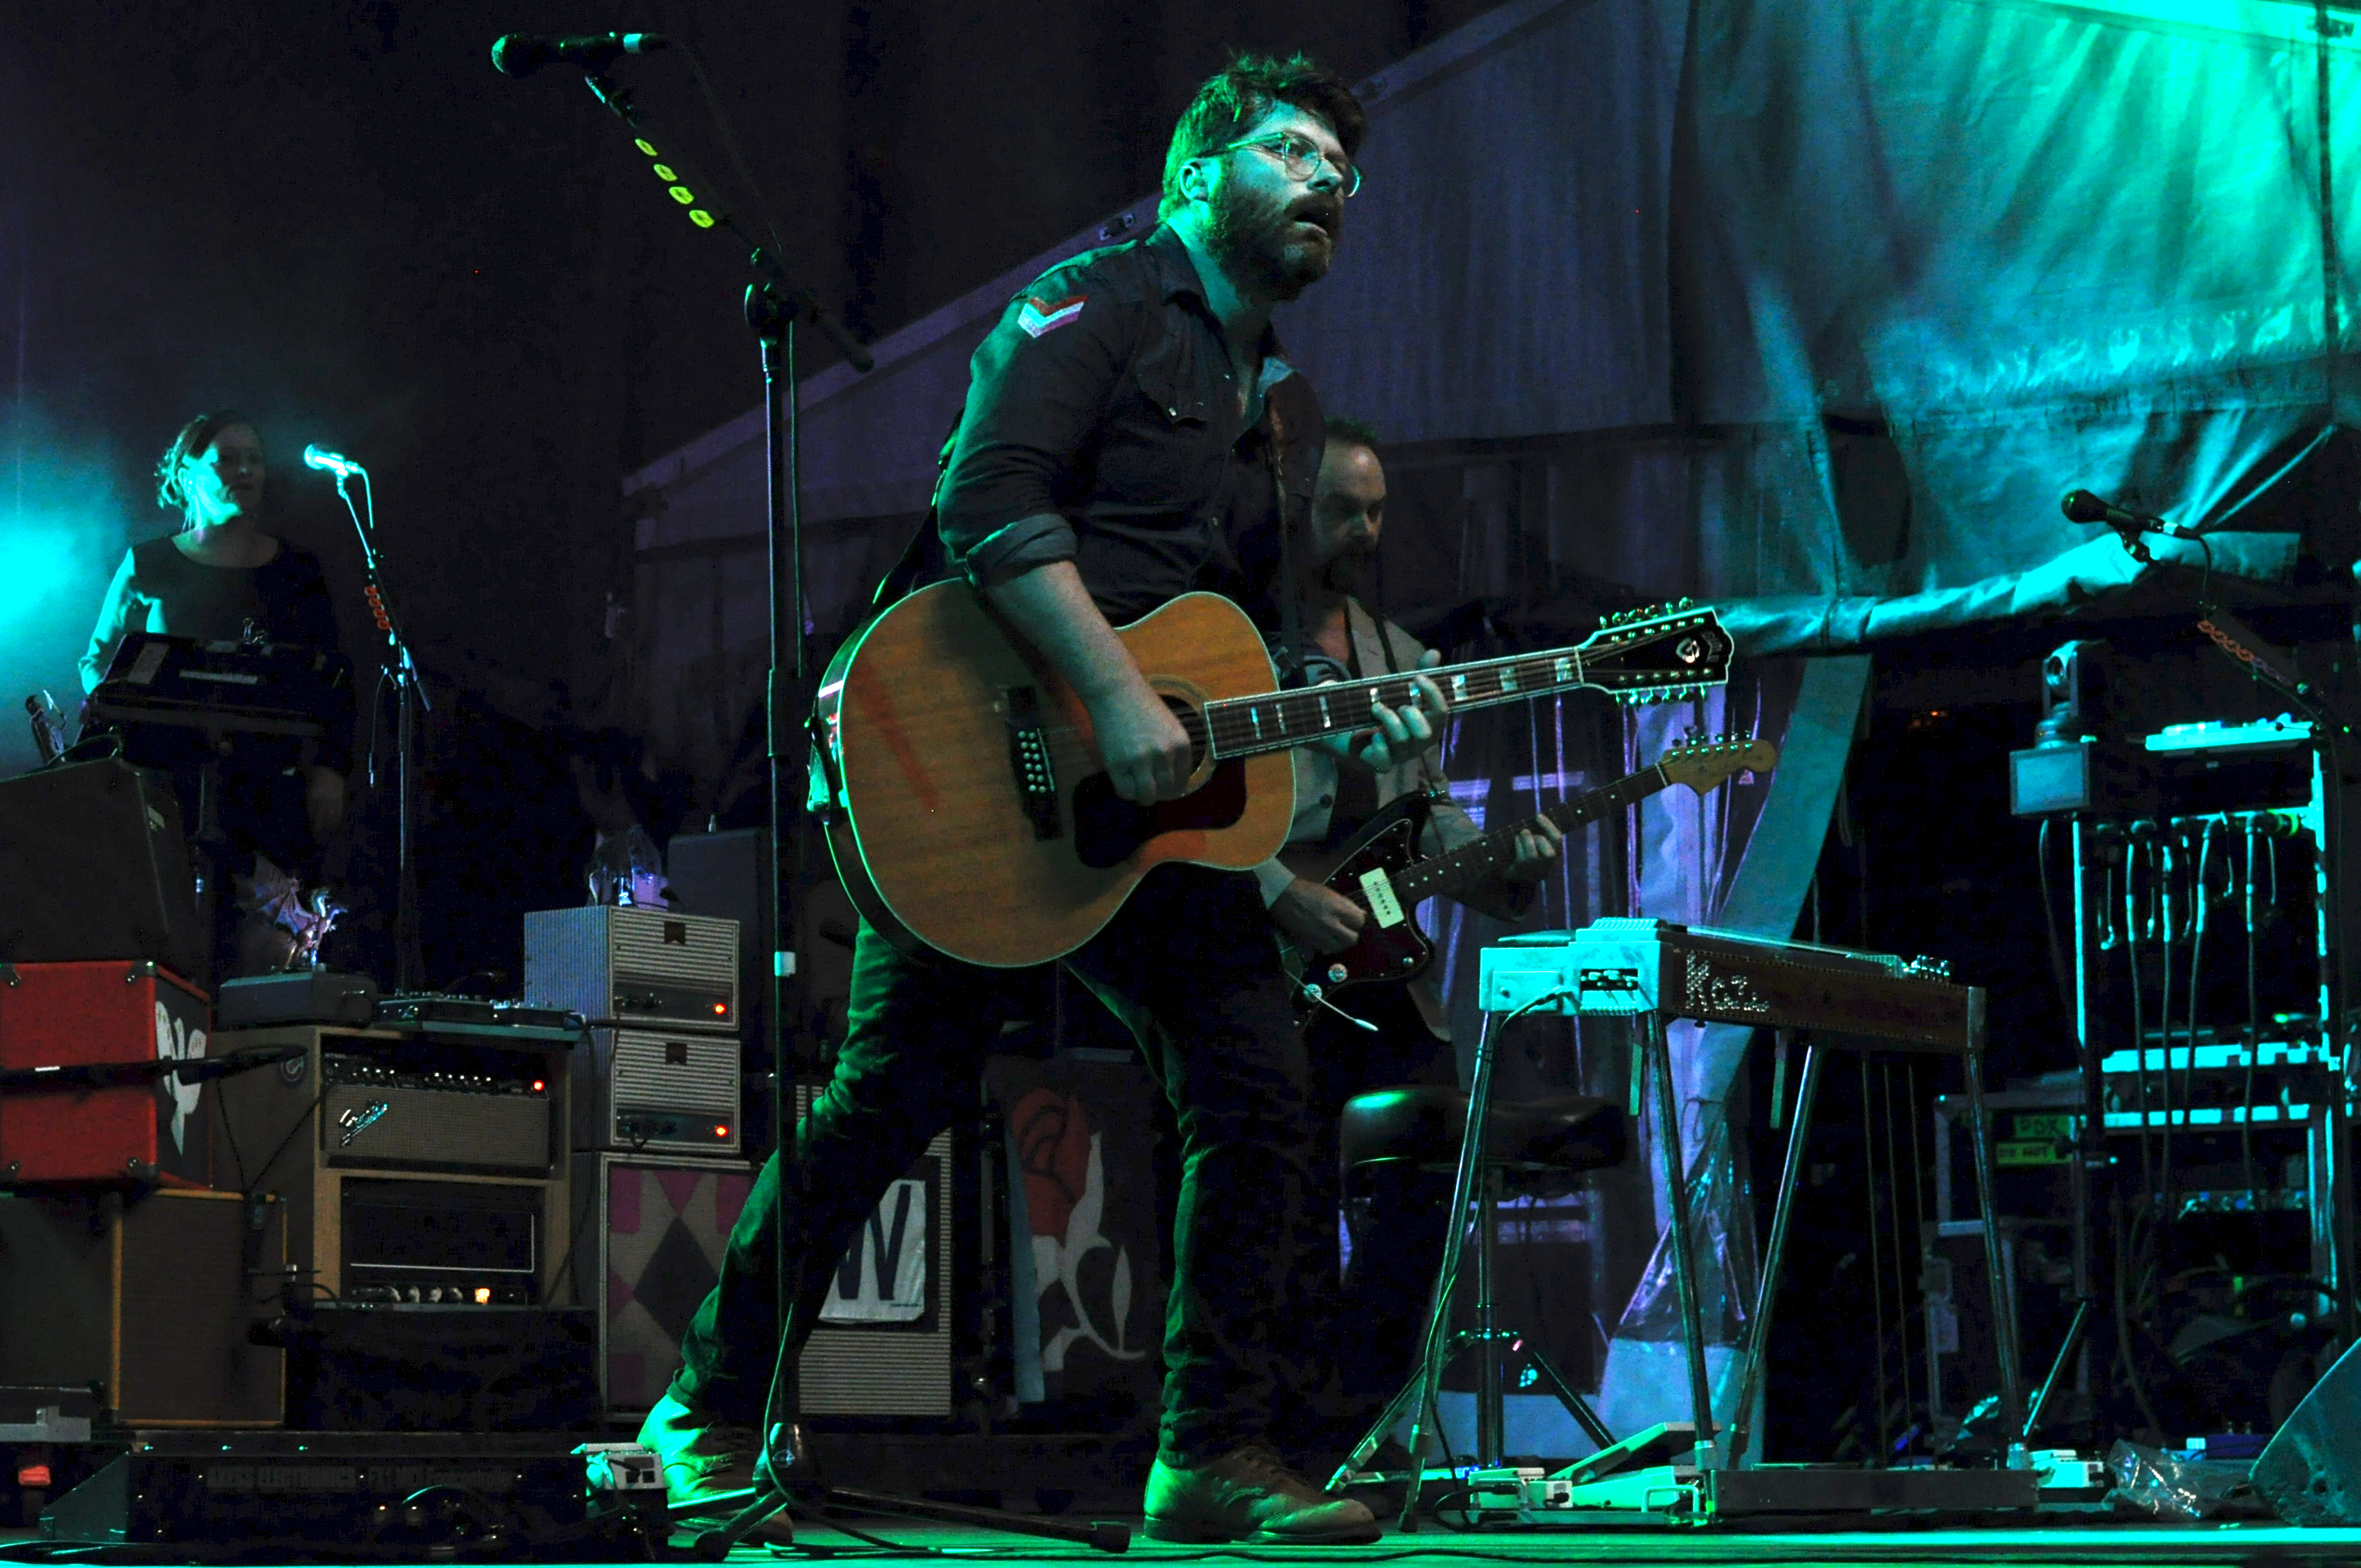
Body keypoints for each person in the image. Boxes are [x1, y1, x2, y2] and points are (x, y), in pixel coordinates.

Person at [638, 53, 1444, 1546]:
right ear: (1197, 172)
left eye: (1342, 171)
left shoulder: (1283, 407)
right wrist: (1120, 697)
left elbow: (1234, 647)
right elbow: (989, 501)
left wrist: (1346, 710)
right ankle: (705, 1403)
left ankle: (1207, 1455)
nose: (1328, 182)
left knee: (1255, 1089)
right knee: (896, 1091)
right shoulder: (1097, 306)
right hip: (976, 755)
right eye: (1292, 152)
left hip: (1147, 818)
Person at [1251, 418, 1559, 1478]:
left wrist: (1505, 866)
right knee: (1277, 1209)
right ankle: (1277, 1438)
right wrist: (1277, 892)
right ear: (1288, 510)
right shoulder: (1228, 639)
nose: (1365, 531)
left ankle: (1349, 1422)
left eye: (1376, 511)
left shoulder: (1398, 657)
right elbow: (1193, 816)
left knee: (1428, 1177)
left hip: (1383, 976)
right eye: (1343, 510)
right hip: (1264, 966)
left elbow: (1422, 817)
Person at [79, 411, 350, 973]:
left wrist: (330, 769)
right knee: (171, 932)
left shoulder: (297, 571)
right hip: (167, 779)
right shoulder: (150, 561)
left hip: (266, 785)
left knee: (259, 944)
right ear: (187, 473)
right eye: (227, 459)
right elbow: (96, 661)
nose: (245, 470)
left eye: (254, 459)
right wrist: (115, 706)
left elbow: (334, 680)